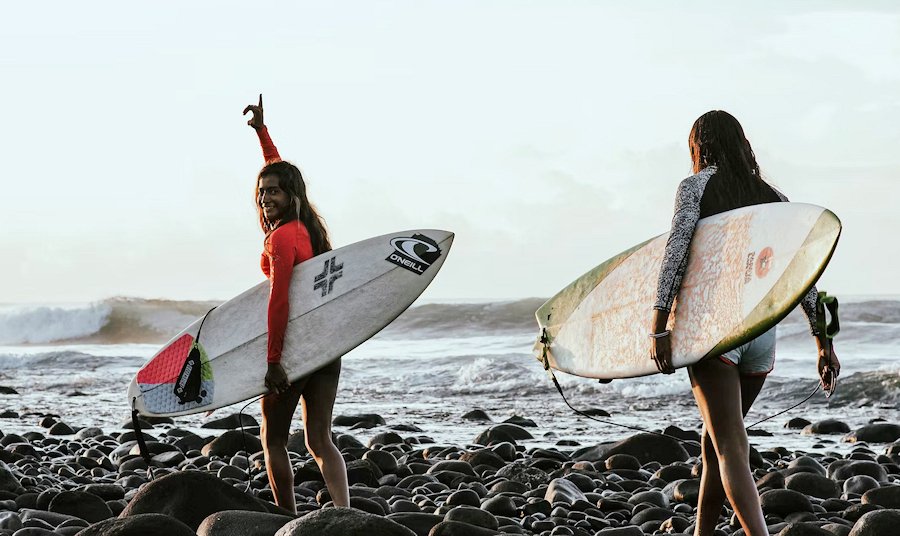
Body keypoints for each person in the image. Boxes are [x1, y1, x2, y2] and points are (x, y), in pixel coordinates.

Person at [649, 110, 840, 536]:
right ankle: (704, 531)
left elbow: (676, 254)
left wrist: (659, 325)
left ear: (699, 147)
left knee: (731, 445)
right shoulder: (773, 198)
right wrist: (823, 341)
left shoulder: (694, 187)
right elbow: (802, 276)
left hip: (715, 331)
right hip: (760, 335)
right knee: (714, 440)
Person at [243, 94, 350, 512]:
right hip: (326, 347)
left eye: (273, 192)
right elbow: (281, 172)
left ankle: (285, 517)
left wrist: (274, 361)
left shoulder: (281, 238)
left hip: (295, 349)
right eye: (261, 191)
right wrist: (262, 133)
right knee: (319, 438)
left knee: (272, 438)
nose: (265, 197)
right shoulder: (306, 229)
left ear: (291, 195)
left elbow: (279, 299)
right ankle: (343, 512)